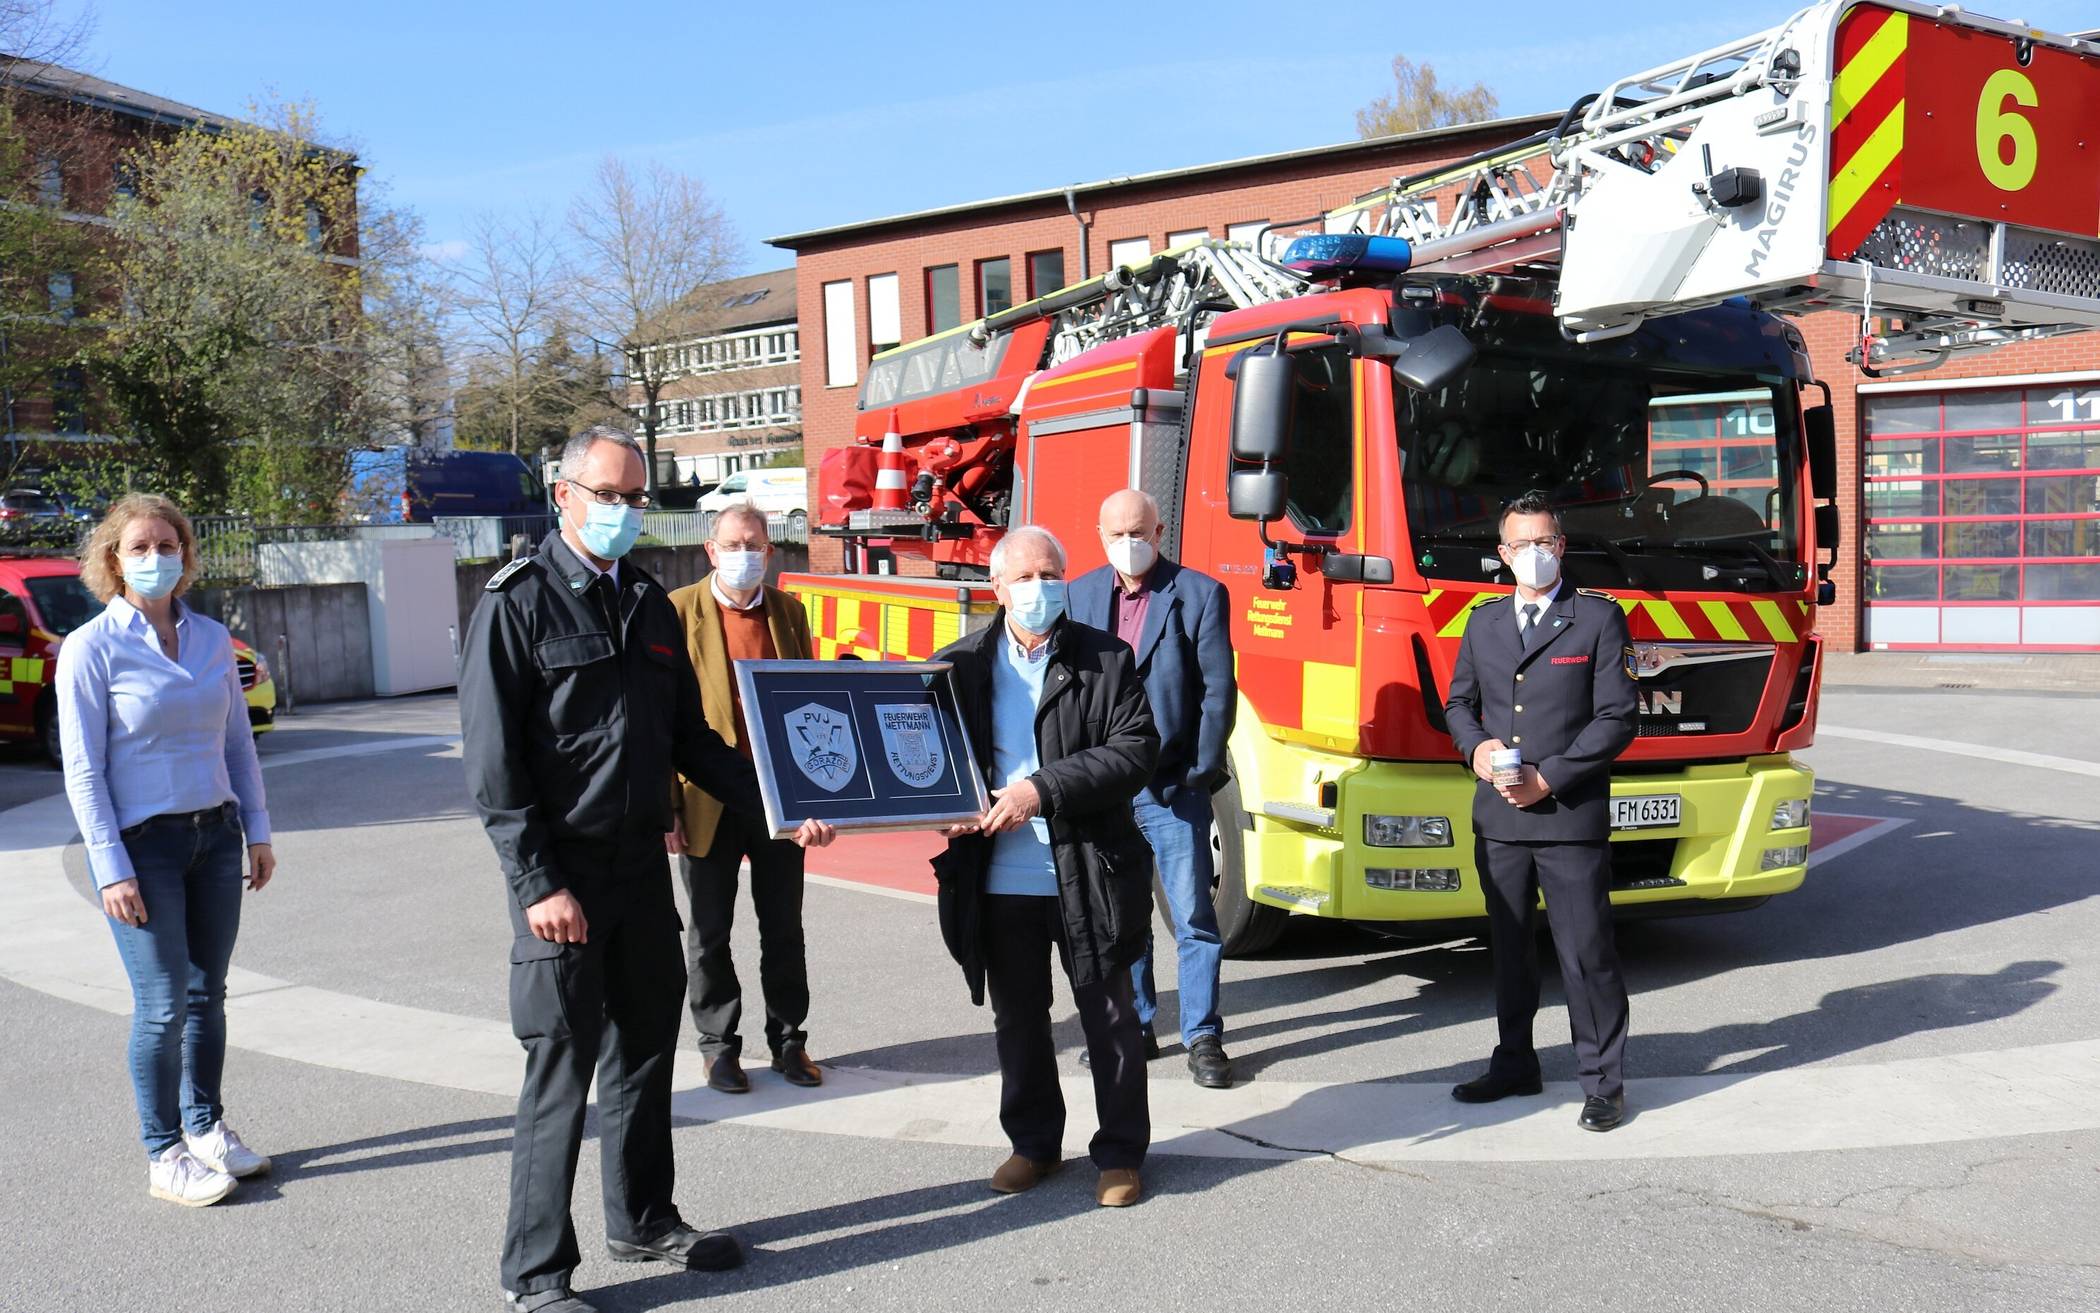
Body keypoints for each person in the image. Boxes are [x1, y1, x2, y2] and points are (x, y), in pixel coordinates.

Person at [461, 426, 835, 1313]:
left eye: (637, 495)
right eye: (609, 494)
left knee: (642, 1057)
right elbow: (492, 765)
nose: (626, 510)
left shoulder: (647, 603)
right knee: (562, 1069)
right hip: (565, 879)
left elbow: (691, 743)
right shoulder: (516, 603)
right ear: (565, 496)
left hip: (639, 872)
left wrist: (778, 806)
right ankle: (538, 1274)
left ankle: (643, 1219)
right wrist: (535, 883)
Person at [55, 494, 277, 1207]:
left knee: (208, 994)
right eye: (140, 547)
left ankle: (207, 1127)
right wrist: (109, 866)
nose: (156, 557)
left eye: (168, 544)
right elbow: (83, 769)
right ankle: (164, 1151)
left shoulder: (213, 638)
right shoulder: (91, 647)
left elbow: (238, 741)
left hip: (216, 835)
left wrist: (259, 828)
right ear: (112, 561)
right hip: (140, 846)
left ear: (186, 553)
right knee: (161, 1007)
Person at [931, 526, 1160, 1208]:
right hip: (999, 878)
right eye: (1025, 577)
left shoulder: (1106, 658)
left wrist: (1043, 788)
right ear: (997, 588)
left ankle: (1120, 1153)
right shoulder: (957, 664)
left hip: (1088, 871)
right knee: (1020, 1018)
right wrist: (943, 804)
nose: (1040, 588)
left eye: (1051, 573)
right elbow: (926, 758)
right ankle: (1033, 1142)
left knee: (1110, 1019)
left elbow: (1134, 750)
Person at [1444, 491, 1638, 1132]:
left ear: (1562, 547)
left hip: (1567, 816)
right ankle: (1515, 1063)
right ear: (1502, 555)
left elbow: (1617, 718)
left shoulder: (1598, 620)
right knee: (1508, 949)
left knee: (1585, 953)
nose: (1534, 554)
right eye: (1521, 545)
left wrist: (1548, 779)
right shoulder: (1483, 622)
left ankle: (1603, 1081)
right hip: (1499, 815)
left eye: (1545, 542)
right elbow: (1459, 705)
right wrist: (1476, 751)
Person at [1068, 489, 1237, 1089]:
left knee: (1192, 916)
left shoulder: (1198, 594)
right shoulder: (1079, 596)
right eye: (1116, 534)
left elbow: (1217, 690)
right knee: (1124, 917)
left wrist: (1198, 770)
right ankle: (1138, 1025)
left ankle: (1204, 1036)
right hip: (1105, 789)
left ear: (1160, 533)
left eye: (1138, 533)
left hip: (1171, 788)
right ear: (1100, 535)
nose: (1128, 544)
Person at [664, 502, 821, 1094]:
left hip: (778, 796)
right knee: (709, 930)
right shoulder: (677, 611)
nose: (744, 555)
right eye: (732, 545)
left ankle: (789, 1040)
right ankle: (719, 1046)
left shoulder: (789, 612)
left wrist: (818, 796)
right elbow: (659, 719)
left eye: (754, 545)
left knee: (784, 925)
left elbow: (811, 701)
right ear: (710, 551)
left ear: (770, 553)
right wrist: (667, 805)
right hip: (704, 794)